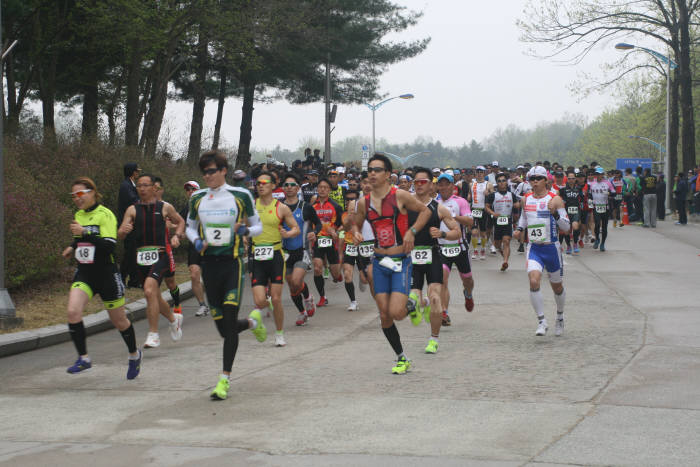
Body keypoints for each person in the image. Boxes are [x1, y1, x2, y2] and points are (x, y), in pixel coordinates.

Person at [186, 150, 267, 400]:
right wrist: (198, 242)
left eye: (212, 171)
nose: (207, 176)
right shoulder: (197, 198)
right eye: (204, 172)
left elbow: (258, 226)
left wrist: (243, 229)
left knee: (230, 318)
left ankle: (224, 380)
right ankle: (253, 323)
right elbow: (189, 227)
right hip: (210, 266)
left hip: (233, 263)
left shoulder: (241, 195)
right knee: (224, 329)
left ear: (223, 171)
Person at [352, 154, 431, 374]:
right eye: (370, 170)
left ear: (388, 174)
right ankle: (401, 358)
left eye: (377, 170)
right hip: (379, 261)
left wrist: (412, 232)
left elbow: (426, 211)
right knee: (384, 315)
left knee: (396, 313)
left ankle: (413, 302)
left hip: (400, 261)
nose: (372, 173)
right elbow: (355, 225)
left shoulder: (400, 196)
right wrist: (356, 234)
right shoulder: (363, 202)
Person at [62, 177, 141, 378]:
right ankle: (84, 358)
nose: (77, 199)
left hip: (106, 274)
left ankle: (134, 355)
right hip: (85, 273)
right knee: (72, 312)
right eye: (73, 196)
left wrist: (84, 232)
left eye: (80, 194)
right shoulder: (79, 214)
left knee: (119, 321)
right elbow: (80, 239)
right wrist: (72, 247)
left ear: (92, 192)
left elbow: (108, 246)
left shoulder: (106, 214)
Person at [118, 173, 185, 349]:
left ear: (154, 188)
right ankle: (173, 320)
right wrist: (123, 230)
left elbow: (180, 222)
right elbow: (120, 234)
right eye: (139, 185)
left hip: (160, 255)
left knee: (148, 290)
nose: (142, 188)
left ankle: (153, 334)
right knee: (153, 294)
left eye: (145, 185)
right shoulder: (132, 210)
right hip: (141, 257)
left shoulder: (165, 207)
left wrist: (177, 236)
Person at [408, 167, 461, 354]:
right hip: (412, 257)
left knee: (435, 298)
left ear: (431, 185)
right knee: (413, 297)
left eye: (423, 182)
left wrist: (442, 233)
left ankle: (433, 339)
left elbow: (457, 232)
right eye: (416, 182)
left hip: (432, 256)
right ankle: (416, 305)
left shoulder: (439, 208)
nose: (419, 185)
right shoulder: (406, 205)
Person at [513, 166, 570, 337]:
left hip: (552, 248)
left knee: (557, 286)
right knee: (534, 280)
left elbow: (566, 228)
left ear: (546, 180)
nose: (535, 181)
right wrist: (519, 229)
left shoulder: (555, 199)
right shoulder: (526, 199)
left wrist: (556, 215)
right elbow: (524, 217)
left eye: (538, 178)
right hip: (534, 248)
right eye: (532, 179)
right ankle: (541, 321)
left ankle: (559, 316)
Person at [251, 172, 300, 347]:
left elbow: (296, 228)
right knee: (259, 301)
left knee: (277, 299)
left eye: (264, 182)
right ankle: (264, 313)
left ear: (273, 185)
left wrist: (288, 233)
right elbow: (241, 225)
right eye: (258, 183)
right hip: (257, 256)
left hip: (276, 255)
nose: (260, 185)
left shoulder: (281, 208)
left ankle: (279, 333)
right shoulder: (251, 206)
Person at [280, 172, 321, 327]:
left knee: (297, 281)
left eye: (292, 185)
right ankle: (302, 312)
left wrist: (314, 232)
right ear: (283, 188)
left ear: (297, 188)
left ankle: (308, 297)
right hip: (284, 252)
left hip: (302, 250)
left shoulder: (306, 207)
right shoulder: (279, 207)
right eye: (286, 185)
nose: (289, 188)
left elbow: (318, 224)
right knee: (292, 285)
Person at [436, 172, 475, 326]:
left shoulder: (461, 202)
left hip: (459, 247)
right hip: (441, 247)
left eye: (447, 184)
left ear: (453, 186)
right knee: (443, 278)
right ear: (437, 186)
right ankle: (444, 312)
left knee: (468, 280)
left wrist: (453, 217)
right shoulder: (434, 202)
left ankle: (468, 294)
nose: (444, 187)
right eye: (441, 184)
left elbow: (470, 222)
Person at [153, 177, 183, 315]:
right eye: (152, 187)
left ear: (162, 190)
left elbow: (179, 223)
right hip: (148, 250)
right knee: (151, 284)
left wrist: (173, 229)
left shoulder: (166, 206)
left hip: (165, 248)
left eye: (157, 188)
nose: (154, 191)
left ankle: (177, 303)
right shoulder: (140, 206)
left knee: (170, 283)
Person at [312, 178, 344, 306]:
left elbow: (343, 223)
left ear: (329, 190)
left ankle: (337, 275)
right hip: (318, 240)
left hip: (331, 242)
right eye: (320, 187)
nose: (322, 189)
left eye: (325, 187)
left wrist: (336, 232)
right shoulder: (312, 206)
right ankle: (322, 296)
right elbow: (309, 223)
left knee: (335, 274)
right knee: (317, 268)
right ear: (317, 189)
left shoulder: (336, 206)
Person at [180, 181, 209, 316]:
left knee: (212, 276)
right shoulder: (186, 208)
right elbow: (178, 223)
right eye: (187, 190)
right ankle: (202, 305)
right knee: (194, 275)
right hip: (194, 246)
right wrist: (178, 233)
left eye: (193, 189)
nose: (190, 191)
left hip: (210, 245)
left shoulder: (208, 205)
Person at [485, 173, 520, 270]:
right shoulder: (493, 195)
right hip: (497, 222)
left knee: (506, 241)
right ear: (497, 183)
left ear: (506, 183)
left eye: (503, 181)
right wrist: (493, 213)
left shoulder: (511, 195)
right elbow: (486, 207)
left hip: (508, 220)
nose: (501, 183)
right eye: (499, 181)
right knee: (497, 244)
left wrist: (517, 206)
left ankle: (505, 261)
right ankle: (503, 254)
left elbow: (517, 204)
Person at [118, 162, 141, 288]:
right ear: (133, 172)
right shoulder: (126, 186)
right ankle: (121, 278)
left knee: (134, 252)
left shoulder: (131, 185)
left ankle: (134, 280)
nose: (138, 173)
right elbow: (134, 201)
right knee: (129, 253)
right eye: (137, 171)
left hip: (134, 224)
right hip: (127, 224)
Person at [468, 166, 494, 260]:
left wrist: (489, 192)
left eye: (481, 172)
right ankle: (475, 250)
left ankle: (482, 250)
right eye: (478, 172)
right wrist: (468, 198)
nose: (479, 173)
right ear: (476, 173)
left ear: (484, 173)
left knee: (483, 233)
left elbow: (494, 195)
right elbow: (470, 196)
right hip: (474, 209)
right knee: (474, 232)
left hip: (484, 210)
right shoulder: (471, 184)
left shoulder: (488, 184)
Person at [588, 167, 615, 251]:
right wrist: (590, 205)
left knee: (604, 227)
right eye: (597, 174)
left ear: (602, 174)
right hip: (596, 207)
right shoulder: (592, 184)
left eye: (600, 174)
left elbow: (614, 193)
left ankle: (603, 243)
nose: (598, 175)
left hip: (605, 207)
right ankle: (597, 239)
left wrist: (606, 192)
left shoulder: (608, 183)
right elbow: (590, 195)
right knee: (596, 224)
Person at [558, 171, 584, 254]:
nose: (571, 180)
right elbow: (557, 198)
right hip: (566, 212)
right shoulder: (563, 190)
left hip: (576, 210)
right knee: (567, 230)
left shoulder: (579, 188)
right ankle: (568, 245)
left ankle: (575, 243)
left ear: (575, 179)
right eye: (569, 179)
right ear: (567, 179)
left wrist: (582, 207)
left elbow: (582, 198)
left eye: (573, 178)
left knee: (575, 227)